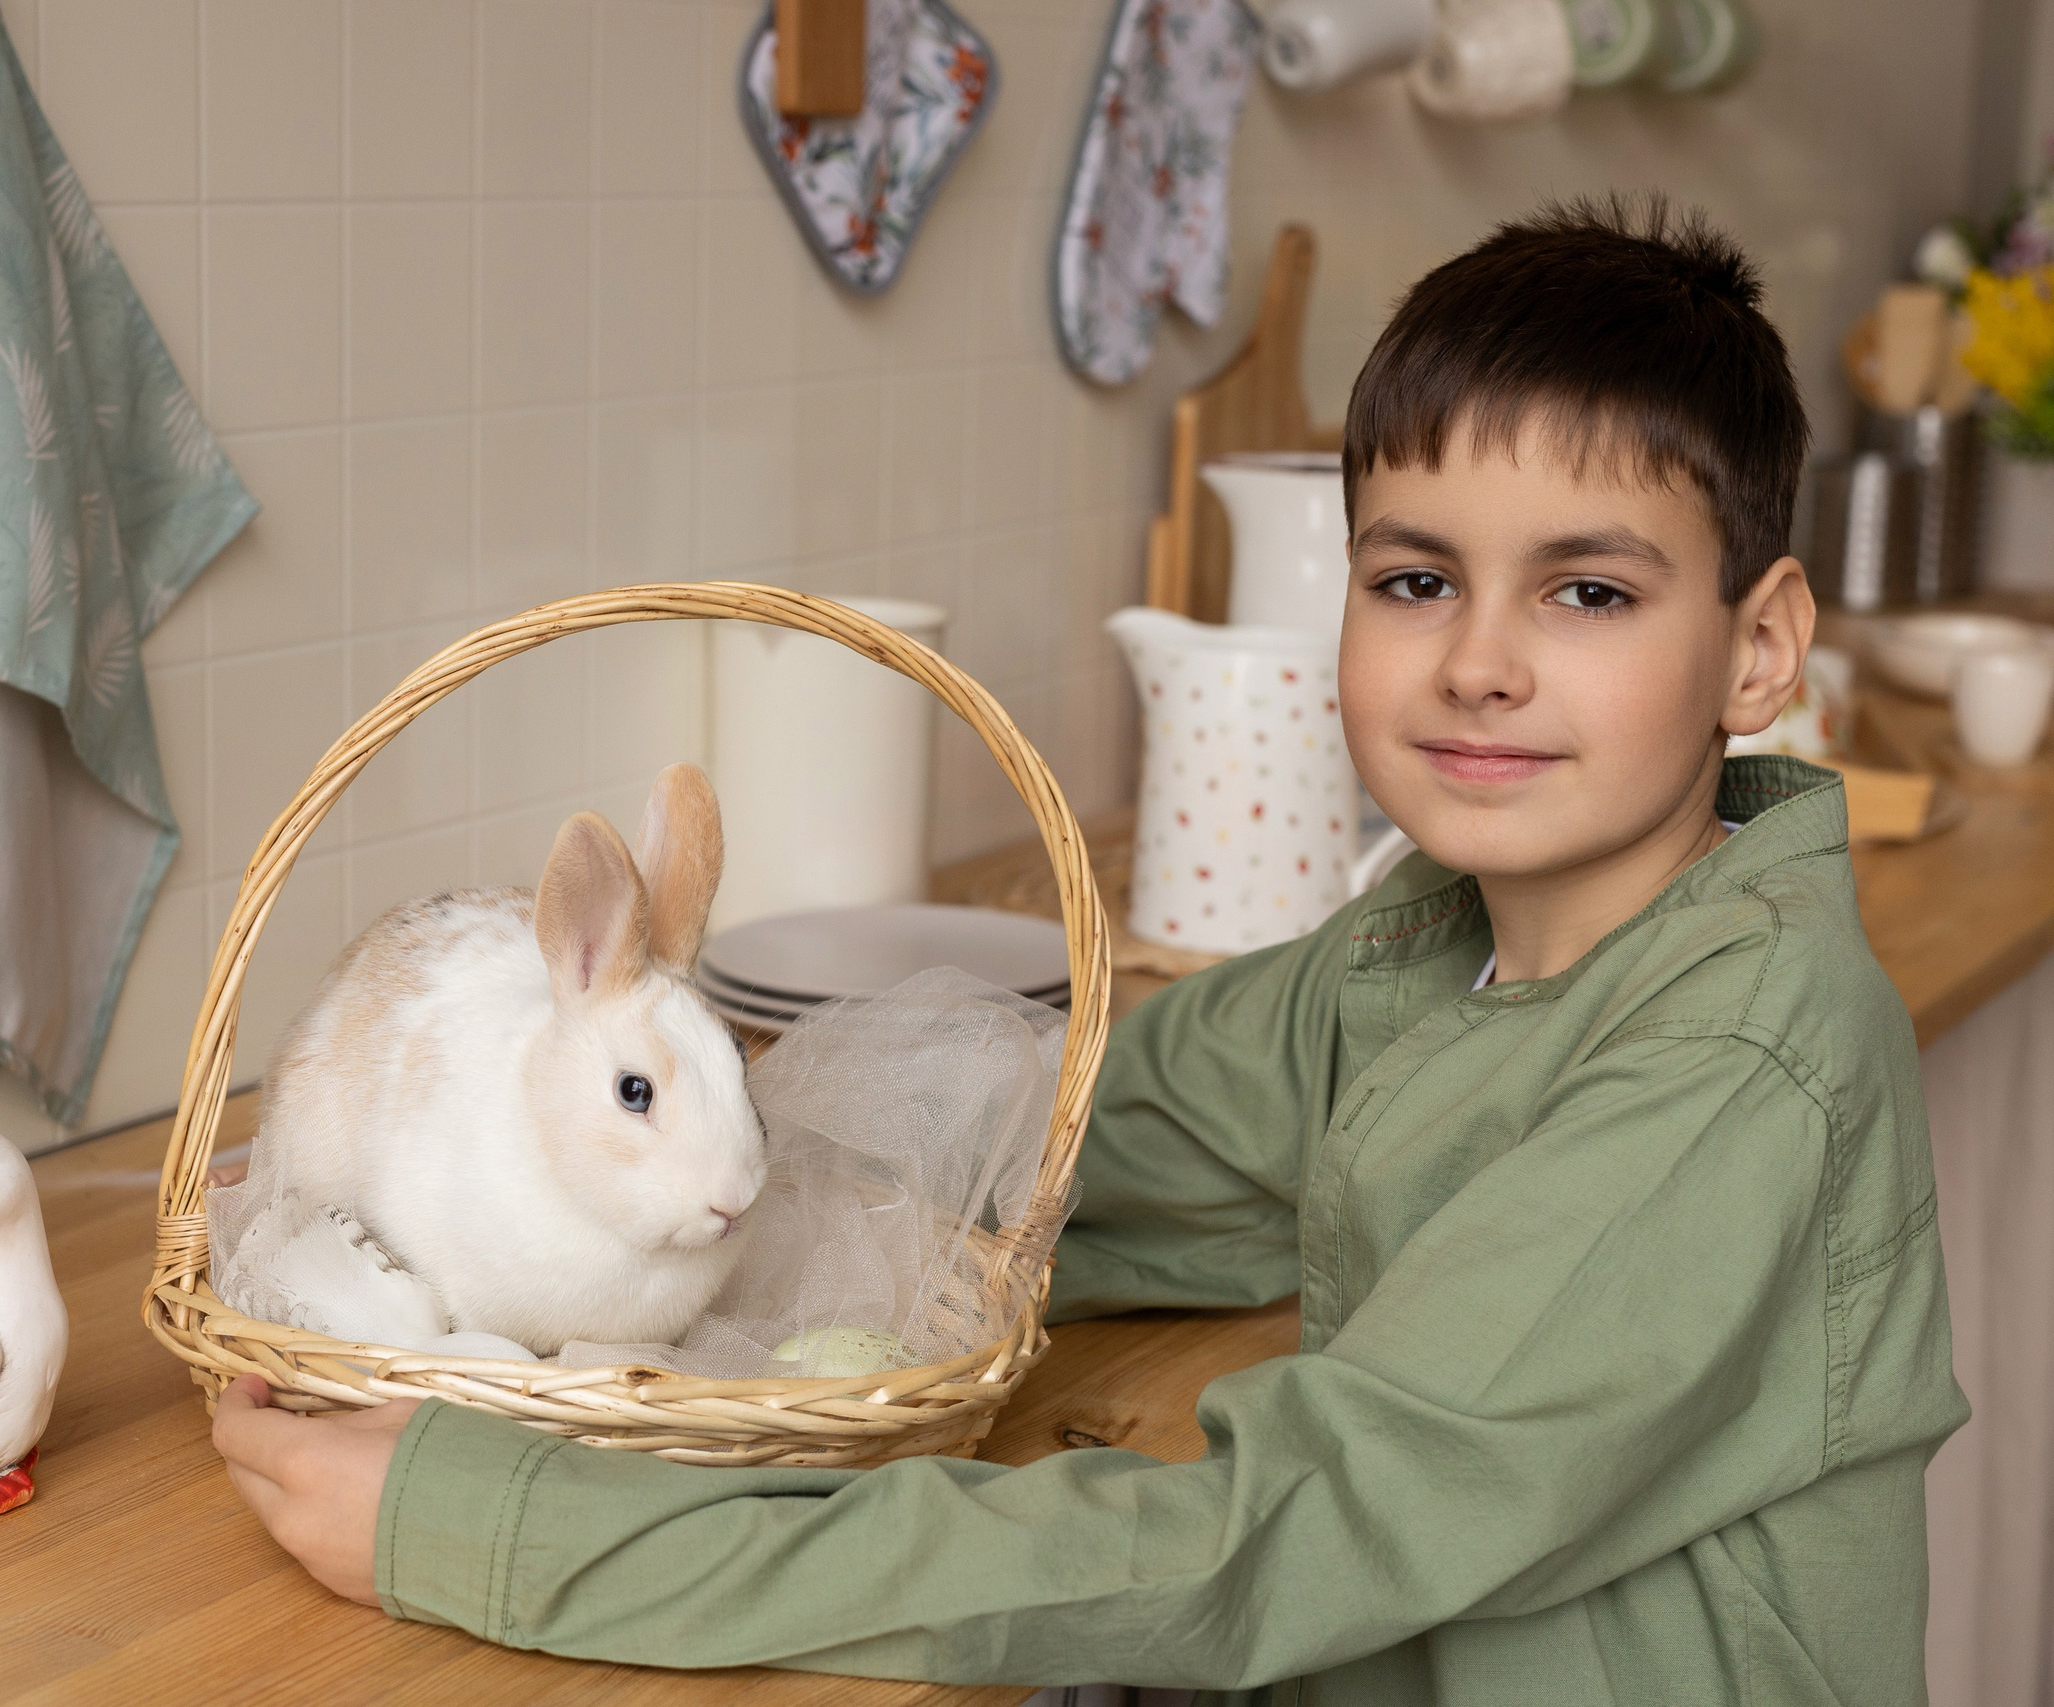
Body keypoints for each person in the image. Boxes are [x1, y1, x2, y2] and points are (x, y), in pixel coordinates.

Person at [210, 197, 1966, 1705]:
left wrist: (497, 1524)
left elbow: (1267, 1536)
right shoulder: (1431, 951)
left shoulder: (1733, 1068)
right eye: (1417, 579)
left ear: (1759, 650)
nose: (1479, 664)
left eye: (1588, 592)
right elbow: (1059, 1148)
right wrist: (510, 1234)